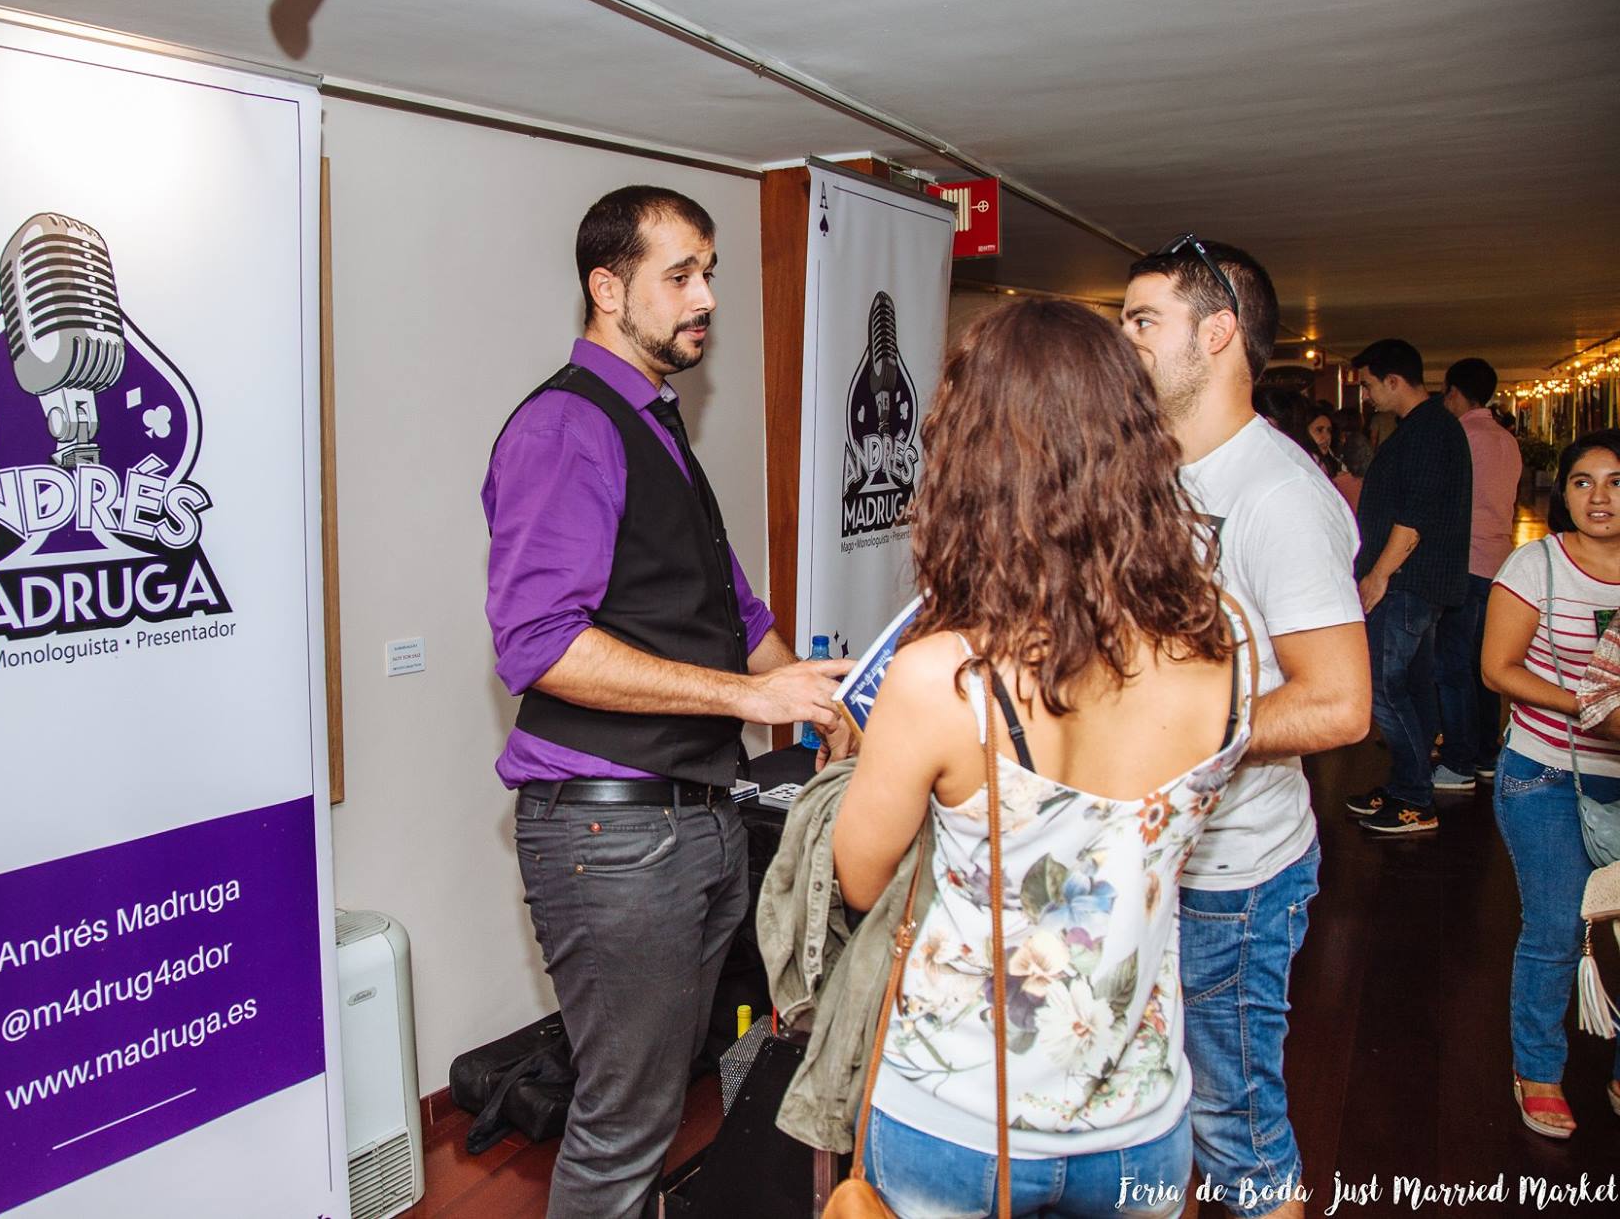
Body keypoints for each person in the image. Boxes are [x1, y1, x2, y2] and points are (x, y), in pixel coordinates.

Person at [833, 298, 1254, 1219]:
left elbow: (860, 880)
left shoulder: (943, 677)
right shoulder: (1228, 644)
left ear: (971, 463)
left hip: (959, 1115)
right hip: (1139, 1116)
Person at [481, 185, 850, 1218]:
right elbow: (539, 643)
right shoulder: (566, 426)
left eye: (709, 274)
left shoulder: (653, 425)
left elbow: (733, 610)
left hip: (689, 821)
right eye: (680, 275)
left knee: (654, 1109)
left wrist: (820, 703)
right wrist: (751, 693)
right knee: (623, 1125)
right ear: (607, 289)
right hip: (614, 839)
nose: (706, 297)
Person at [1121, 241, 1369, 1219]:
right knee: (1154, 1109)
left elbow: (1337, 703)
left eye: (1143, 320)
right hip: (1152, 857)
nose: (1124, 340)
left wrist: (1173, 733)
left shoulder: (1277, 494)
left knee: (1236, 1127)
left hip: (1232, 875)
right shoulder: (1159, 472)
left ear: (1217, 332)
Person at [1478, 429, 1620, 1138]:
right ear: (1562, 492)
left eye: (1617, 482)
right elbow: (1497, 668)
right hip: (1547, 771)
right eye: (1583, 481)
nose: (1600, 497)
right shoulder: (1537, 564)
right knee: (1559, 924)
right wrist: (1596, 707)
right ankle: (1538, 1069)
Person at [1343, 339, 1472, 835]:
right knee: (1412, 688)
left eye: (1370, 385)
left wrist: (1379, 575)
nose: (1367, 395)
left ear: (1394, 380)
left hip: (1406, 584)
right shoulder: (1426, 427)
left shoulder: (1428, 431)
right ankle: (1405, 785)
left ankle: (1416, 797)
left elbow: (1413, 518)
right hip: (1414, 584)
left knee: (1383, 687)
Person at [1432, 358, 1523, 790]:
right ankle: (1488, 752)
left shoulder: (1459, 437)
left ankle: (1459, 761)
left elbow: (1444, 503)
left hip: (1465, 564)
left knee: (1452, 667)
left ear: (1454, 392)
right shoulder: (1507, 439)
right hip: (1501, 566)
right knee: (1485, 666)